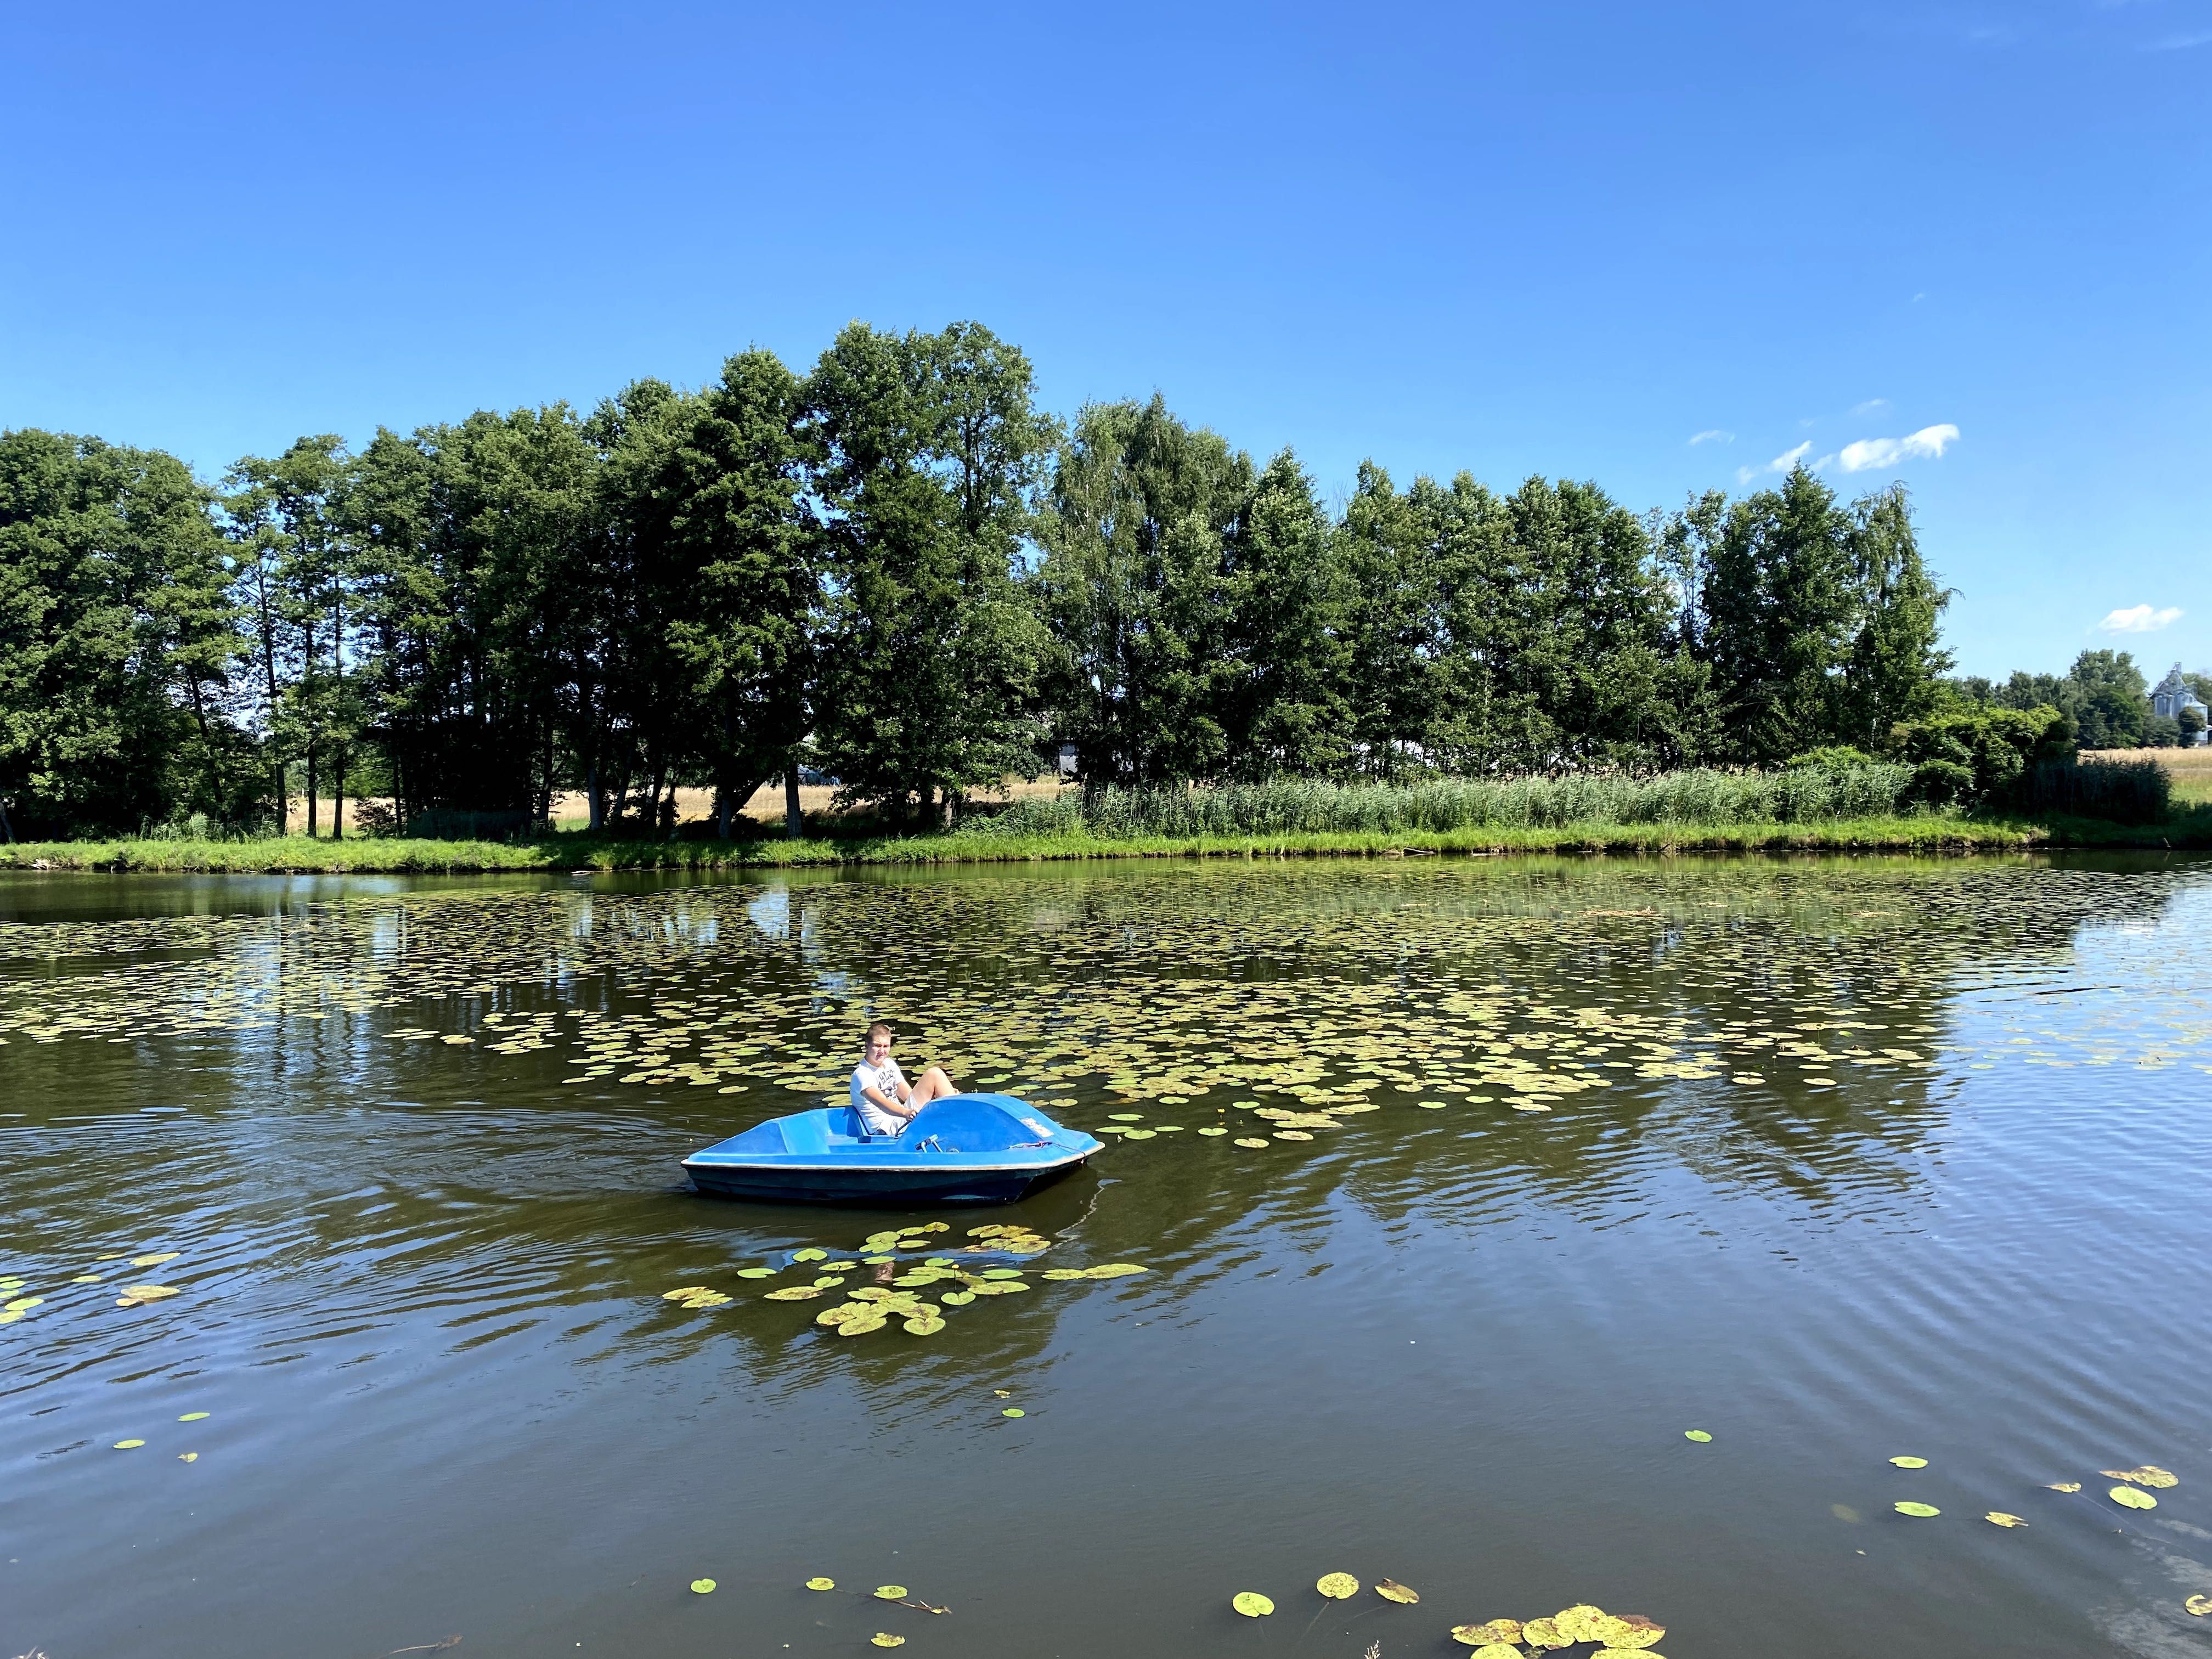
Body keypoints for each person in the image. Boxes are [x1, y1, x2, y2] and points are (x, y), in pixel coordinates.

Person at [850, 1022, 961, 1136]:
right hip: (886, 1128)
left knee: (934, 1073)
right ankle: (956, 1125)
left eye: (886, 1046)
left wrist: (936, 1098)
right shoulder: (862, 1074)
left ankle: (955, 1116)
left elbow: (909, 1096)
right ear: (867, 1046)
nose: (882, 1051)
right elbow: (882, 1103)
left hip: (902, 1117)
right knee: (942, 1108)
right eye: (877, 1046)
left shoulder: (889, 1064)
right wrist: (906, 1113)